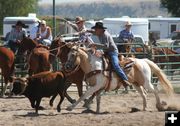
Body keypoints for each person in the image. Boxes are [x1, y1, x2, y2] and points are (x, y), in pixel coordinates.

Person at [90, 22, 131, 88]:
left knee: (115, 65)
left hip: (112, 52)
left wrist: (95, 45)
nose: (95, 31)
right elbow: (92, 32)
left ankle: (125, 79)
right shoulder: (99, 33)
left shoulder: (105, 35)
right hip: (106, 51)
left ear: (99, 29)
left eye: (96, 29)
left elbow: (106, 46)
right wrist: (86, 30)